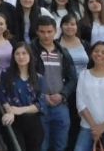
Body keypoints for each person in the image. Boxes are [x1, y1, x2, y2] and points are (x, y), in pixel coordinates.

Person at [31, 17, 77, 151]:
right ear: (37, 32)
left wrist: (62, 95)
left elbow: (72, 79)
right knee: (41, 146)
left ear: (55, 31)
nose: (46, 35)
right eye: (42, 32)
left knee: (60, 145)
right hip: (39, 105)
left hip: (60, 104)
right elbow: (26, 77)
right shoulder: (30, 51)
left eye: (49, 31)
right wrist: (41, 96)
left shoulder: (63, 52)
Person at [0, 43, 44, 151]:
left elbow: (40, 104)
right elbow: (1, 96)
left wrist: (19, 110)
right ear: (13, 56)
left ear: (30, 56)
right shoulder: (6, 74)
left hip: (33, 123)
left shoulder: (38, 78)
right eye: (17, 53)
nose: (21, 56)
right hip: (14, 122)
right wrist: (10, 111)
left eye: (24, 53)